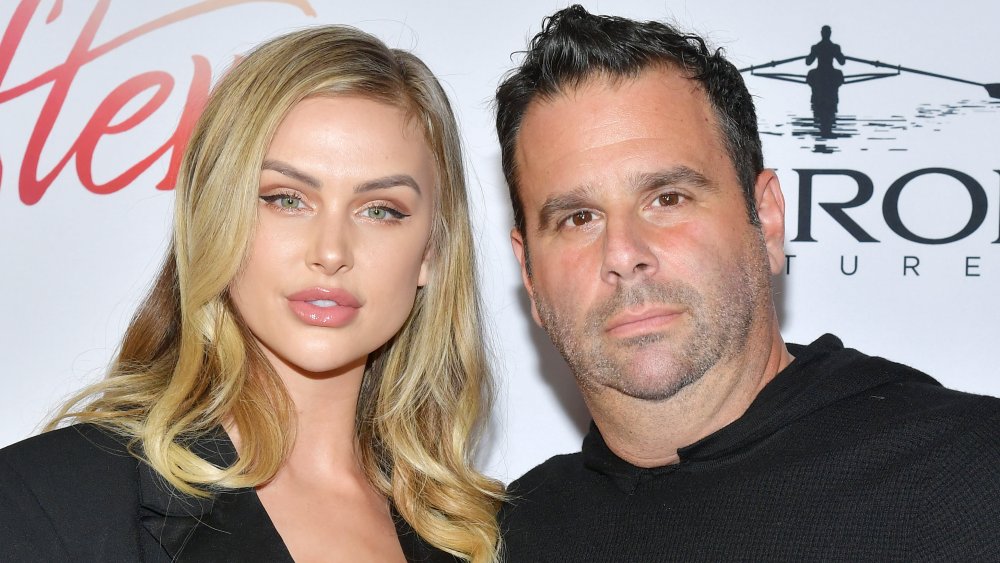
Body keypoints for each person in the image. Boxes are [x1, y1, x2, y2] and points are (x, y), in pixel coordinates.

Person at [495, 5, 1000, 561]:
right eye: (578, 218)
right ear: (530, 275)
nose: (623, 254)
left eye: (668, 199)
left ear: (768, 220)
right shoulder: (504, 535)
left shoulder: (971, 472)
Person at [0, 25, 502, 562]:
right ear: (216, 215)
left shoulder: (482, 533)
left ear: (430, 251)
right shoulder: (48, 500)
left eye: (380, 210)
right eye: (286, 199)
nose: (331, 252)